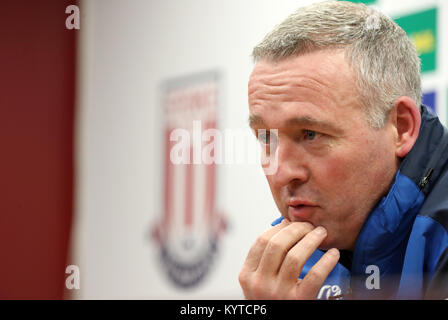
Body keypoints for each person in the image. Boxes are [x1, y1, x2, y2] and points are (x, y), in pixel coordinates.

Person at [239, 0, 448, 300]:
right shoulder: (289, 261)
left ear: (401, 128)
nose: (281, 172)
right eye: (266, 137)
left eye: (310, 134)